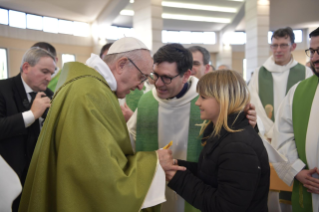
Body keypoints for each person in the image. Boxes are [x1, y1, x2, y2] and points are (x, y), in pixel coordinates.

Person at [18, 37, 185, 212]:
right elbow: (99, 178)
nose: (140, 86)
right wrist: (153, 163)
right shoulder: (90, 94)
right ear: (121, 65)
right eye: (141, 77)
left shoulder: (90, 85)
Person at [127, 43, 258, 212]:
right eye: (155, 75)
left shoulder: (208, 100)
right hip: (156, 186)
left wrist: (252, 124)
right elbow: (129, 140)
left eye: (166, 77)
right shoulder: (147, 101)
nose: (158, 83)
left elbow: (236, 141)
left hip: (198, 191)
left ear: (186, 75)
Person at [165, 70, 270, 212]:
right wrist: (178, 166)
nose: (197, 103)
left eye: (203, 97)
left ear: (223, 99)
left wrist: (178, 178)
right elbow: (214, 173)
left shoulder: (238, 146)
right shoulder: (226, 134)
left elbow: (225, 207)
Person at [249, 27, 313, 210]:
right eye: (274, 45)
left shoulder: (306, 73)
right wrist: (273, 132)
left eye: (283, 45)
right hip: (267, 141)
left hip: (295, 141)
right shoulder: (259, 73)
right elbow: (255, 106)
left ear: (292, 46)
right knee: (270, 195)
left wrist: (285, 133)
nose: (278, 50)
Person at [0, 47, 55, 212]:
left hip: (37, 175)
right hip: (8, 176)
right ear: (26, 67)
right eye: (44, 71)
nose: (49, 78)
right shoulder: (3, 89)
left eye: (51, 73)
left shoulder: (49, 95)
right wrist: (31, 115)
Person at [272, 27, 319, 212]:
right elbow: (282, 136)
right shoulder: (299, 91)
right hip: (307, 188)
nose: (314, 58)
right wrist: (296, 170)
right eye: (312, 51)